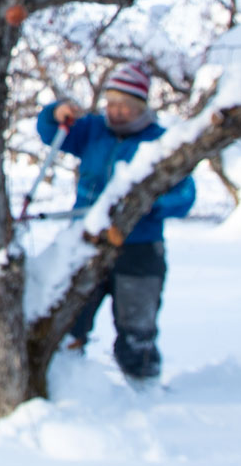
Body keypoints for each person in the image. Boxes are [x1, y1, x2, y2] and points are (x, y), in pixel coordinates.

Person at [37, 62, 194, 384]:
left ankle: (142, 384)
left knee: (137, 325)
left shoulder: (161, 142)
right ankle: (67, 380)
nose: (117, 111)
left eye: (125, 105)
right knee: (70, 317)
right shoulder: (93, 129)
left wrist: (147, 205)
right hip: (87, 241)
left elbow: (184, 196)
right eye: (112, 103)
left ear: (141, 107)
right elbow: (50, 133)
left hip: (139, 248)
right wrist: (55, 113)